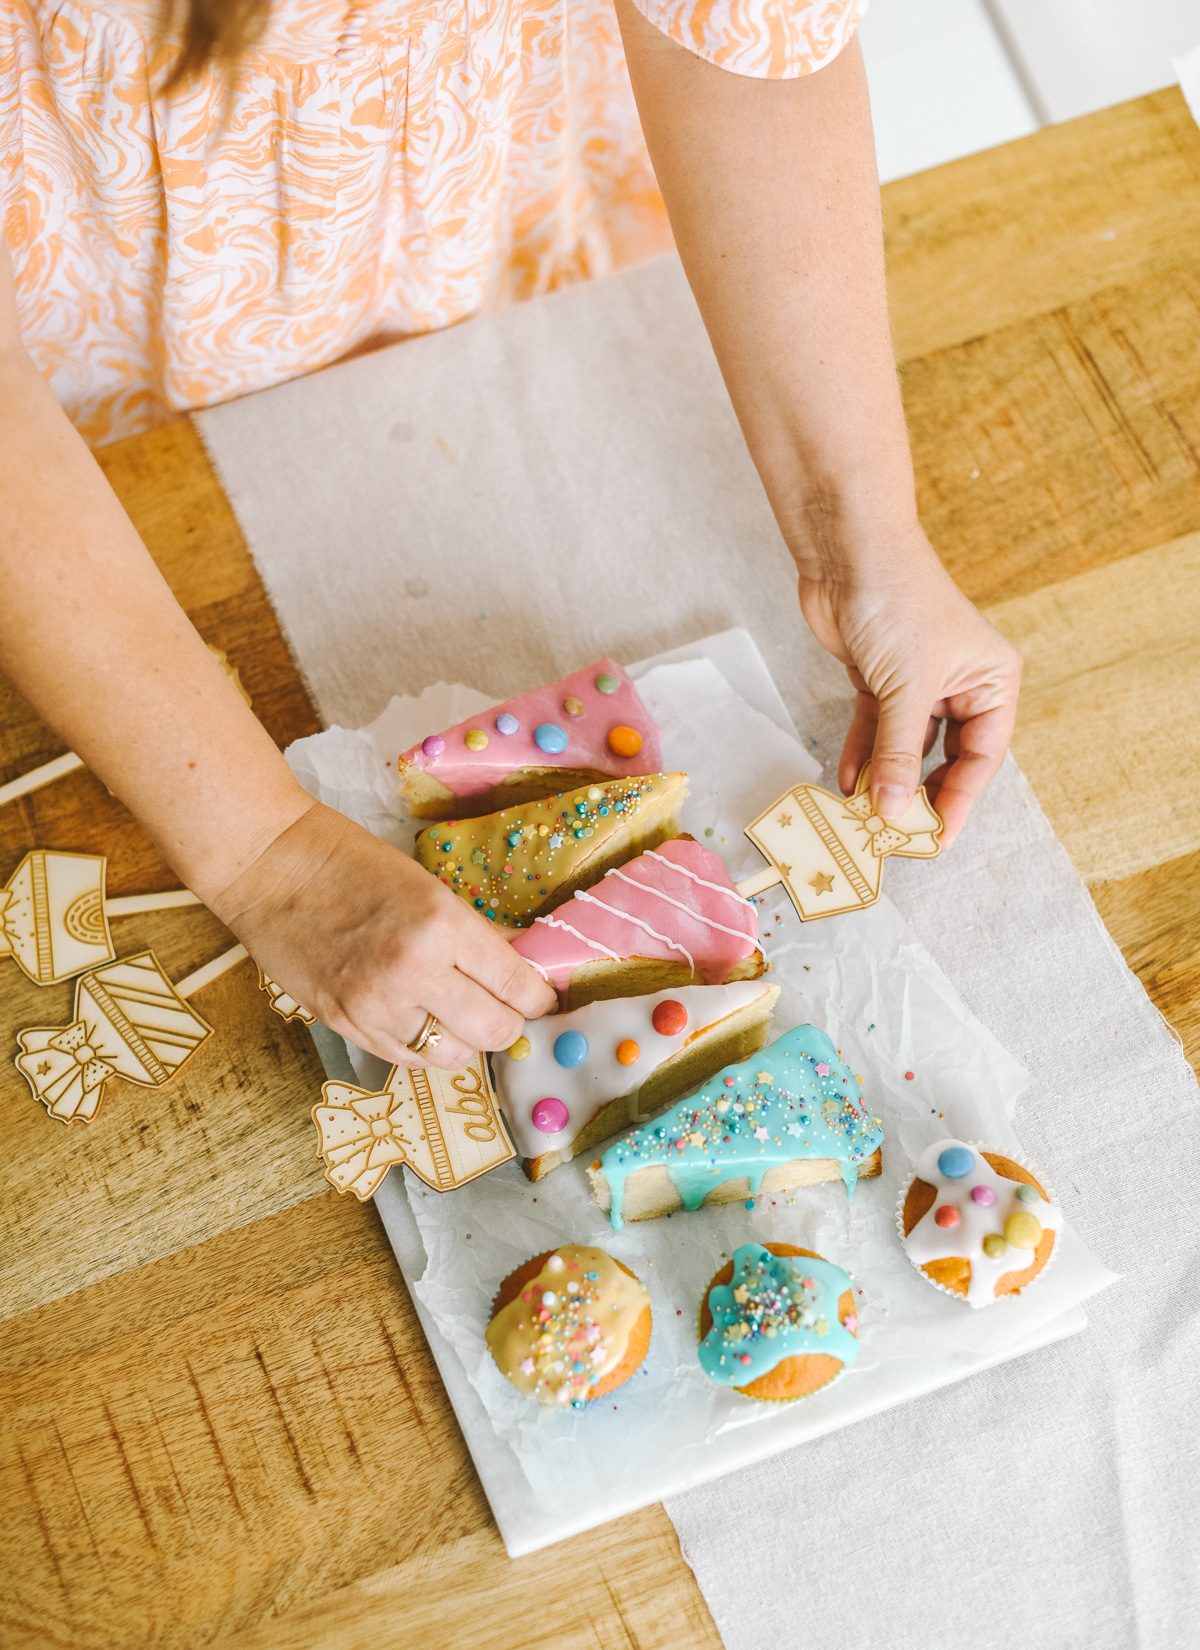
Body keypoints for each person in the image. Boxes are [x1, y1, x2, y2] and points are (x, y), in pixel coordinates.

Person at [0, 0, 1021, 1071]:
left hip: (488, 228)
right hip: (94, 422)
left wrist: (856, 540)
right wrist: (266, 855)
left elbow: (742, 40)